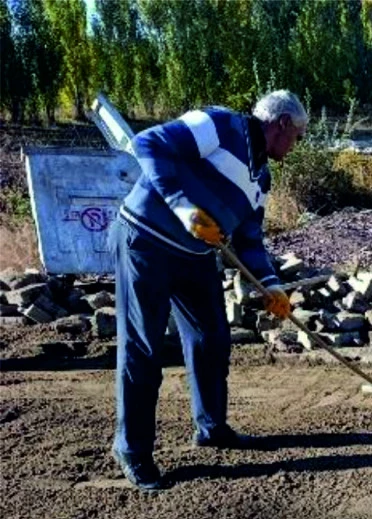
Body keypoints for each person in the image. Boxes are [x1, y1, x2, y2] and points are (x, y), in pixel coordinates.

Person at [110, 90, 307, 490]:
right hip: (146, 241)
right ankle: (132, 449)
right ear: (282, 123)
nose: (297, 145)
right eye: (299, 136)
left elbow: (249, 238)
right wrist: (184, 206)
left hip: (196, 255)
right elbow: (146, 143)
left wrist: (272, 287)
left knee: (212, 338)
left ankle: (211, 426)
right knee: (144, 347)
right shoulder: (219, 125)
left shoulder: (261, 177)